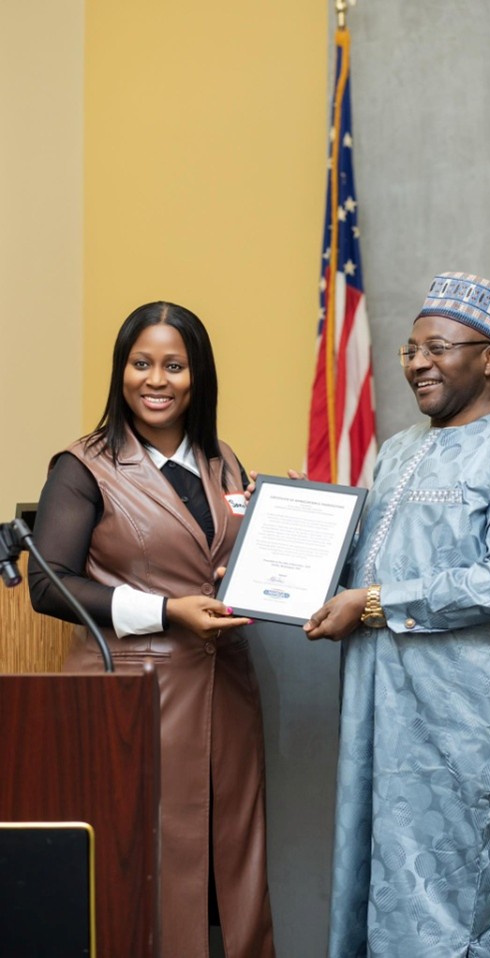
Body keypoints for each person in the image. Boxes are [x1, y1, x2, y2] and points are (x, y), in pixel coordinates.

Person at [303, 272, 490, 958]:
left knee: (453, 918)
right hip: (377, 728)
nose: (418, 363)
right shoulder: (395, 453)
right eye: (408, 350)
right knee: (373, 903)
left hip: (461, 738)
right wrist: (268, 570)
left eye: (437, 348)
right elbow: (362, 567)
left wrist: (372, 604)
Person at [29, 302, 276, 958]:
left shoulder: (222, 461)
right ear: (121, 372)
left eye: (174, 365)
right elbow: (50, 584)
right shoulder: (83, 466)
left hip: (225, 692)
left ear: (198, 377)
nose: (155, 379)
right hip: (131, 699)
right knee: (143, 870)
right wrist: (169, 610)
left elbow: (218, 556)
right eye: (141, 364)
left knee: (233, 870)